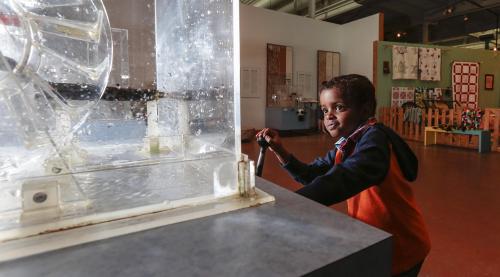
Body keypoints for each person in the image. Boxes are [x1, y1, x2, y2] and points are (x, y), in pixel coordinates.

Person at [257, 74, 431, 277]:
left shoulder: (375, 143)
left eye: (338, 107)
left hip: (401, 244)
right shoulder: (348, 143)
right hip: (375, 239)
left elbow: (343, 179)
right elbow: (312, 174)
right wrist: (280, 150)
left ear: (364, 110)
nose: (328, 116)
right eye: (324, 110)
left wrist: (289, 205)